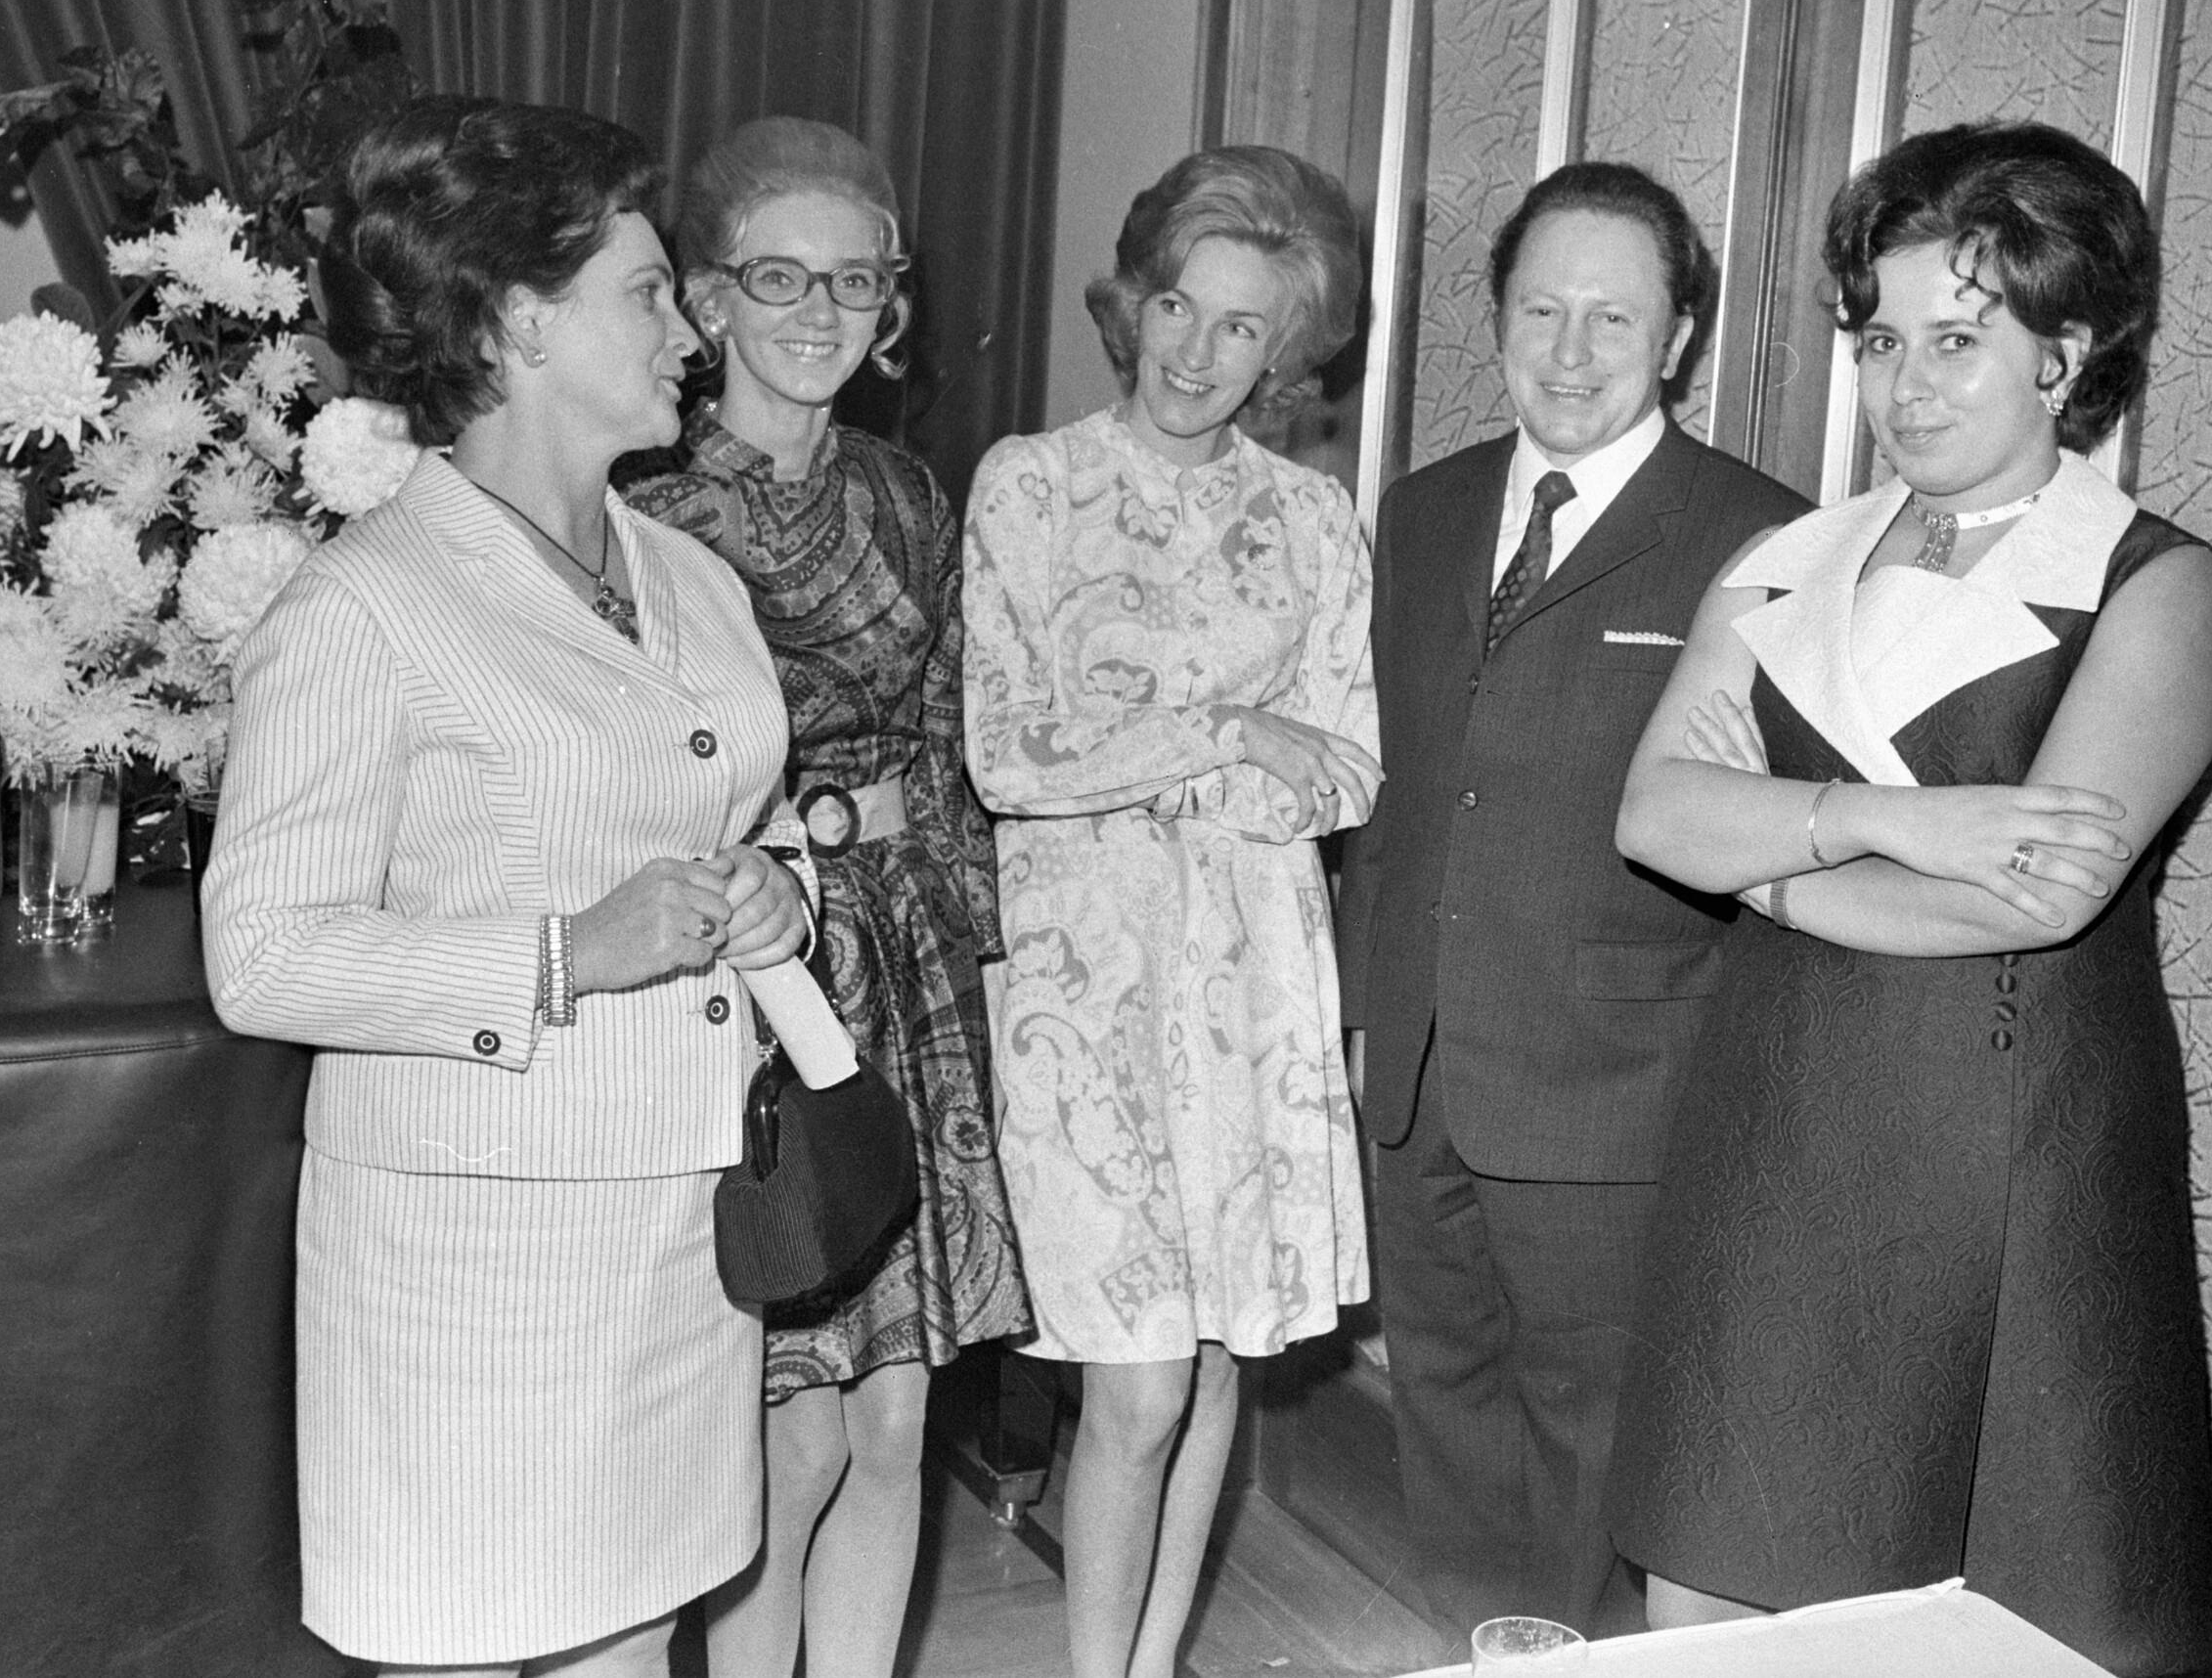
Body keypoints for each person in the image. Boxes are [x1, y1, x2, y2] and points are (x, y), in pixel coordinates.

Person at [1604, 121, 2212, 1674]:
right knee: (1711, 1576)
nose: (1906, 384)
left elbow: (2032, 895)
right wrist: (1906, 824)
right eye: (1883, 339)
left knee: (1974, 1613)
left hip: (2012, 1139)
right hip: (1777, 1113)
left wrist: (1768, 857)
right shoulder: (1787, 558)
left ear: (2064, 357)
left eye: (1959, 339)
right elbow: (1654, 812)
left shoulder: (2153, 583)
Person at [202, 97, 812, 1677]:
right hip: (471, 1259)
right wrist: (566, 952)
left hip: (680, 1228)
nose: (694, 332)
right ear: (521, 321)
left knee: (637, 1636)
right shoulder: (361, 609)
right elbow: (262, 956)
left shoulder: (692, 579)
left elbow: (741, 816)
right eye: (650, 291)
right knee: (467, 1643)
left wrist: (778, 893)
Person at [1333, 161, 1808, 1639]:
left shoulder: (1760, 537)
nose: (1573, 350)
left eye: (1615, 316)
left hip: (1617, 1083)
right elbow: (1398, 793)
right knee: (1443, 1402)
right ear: (1496, 320)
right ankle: (1475, 1649)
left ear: (1679, 338)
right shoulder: (1422, 510)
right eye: (1541, 310)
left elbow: (1765, 836)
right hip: (1415, 1065)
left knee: (1595, 1437)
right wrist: (1361, 1014)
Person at [618, 116, 1028, 1678]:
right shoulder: (645, 510)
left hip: (900, 967)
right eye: (778, 276)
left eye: (855, 280)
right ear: (708, 298)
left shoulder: (910, 493)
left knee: (898, 1416)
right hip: (744, 973)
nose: (819, 311)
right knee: (785, 1441)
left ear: (890, 302)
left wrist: (988, 969)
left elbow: (951, 750)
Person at [962, 146, 1377, 1678]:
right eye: (1178, 307)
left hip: (1252, 976)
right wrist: (1233, 732)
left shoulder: (1314, 519)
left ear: (1286, 350)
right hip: (1083, 985)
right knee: (1133, 1382)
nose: (1198, 353)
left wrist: (1218, 762)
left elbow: (1348, 770)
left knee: (1211, 1369)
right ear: (1134, 302)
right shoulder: (1031, 483)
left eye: (1243, 326)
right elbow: (1010, 758)